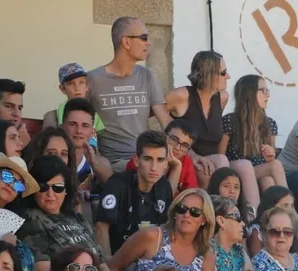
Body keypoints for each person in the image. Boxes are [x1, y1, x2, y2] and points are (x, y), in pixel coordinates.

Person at [110, 188, 217, 271]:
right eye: (181, 209)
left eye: (195, 212)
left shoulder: (206, 256)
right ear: (175, 213)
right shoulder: (153, 236)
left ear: (204, 220)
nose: (186, 215)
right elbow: (114, 267)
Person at [88, 16, 171, 169]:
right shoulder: (94, 79)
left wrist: (191, 154)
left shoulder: (146, 75)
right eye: (144, 37)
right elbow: (76, 115)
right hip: (115, 162)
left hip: (147, 156)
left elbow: (166, 121)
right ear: (126, 42)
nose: (149, 43)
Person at [94, 130, 174, 257]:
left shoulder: (164, 187)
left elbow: (168, 229)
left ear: (166, 164)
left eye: (160, 160)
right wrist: (108, 268)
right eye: (148, 159)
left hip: (151, 260)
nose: (154, 167)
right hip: (119, 259)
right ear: (136, 160)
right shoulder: (117, 184)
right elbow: (101, 227)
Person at [219, 74, 287, 210]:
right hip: (236, 171)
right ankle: (284, 212)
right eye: (263, 90)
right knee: (265, 166)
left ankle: (279, 216)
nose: (268, 95)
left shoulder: (270, 124)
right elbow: (220, 155)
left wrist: (270, 155)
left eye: (268, 91)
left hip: (259, 171)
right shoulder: (230, 121)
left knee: (269, 179)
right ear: (249, 93)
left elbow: (269, 159)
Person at [165, 50, 231, 188]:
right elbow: (153, 111)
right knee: (213, 166)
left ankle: (249, 209)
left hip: (214, 161)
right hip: (187, 158)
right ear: (208, 74)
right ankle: (217, 208)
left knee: (244, 166)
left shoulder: (222, 97)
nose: (228, 76)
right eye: (223, 73)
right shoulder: (182, 96)